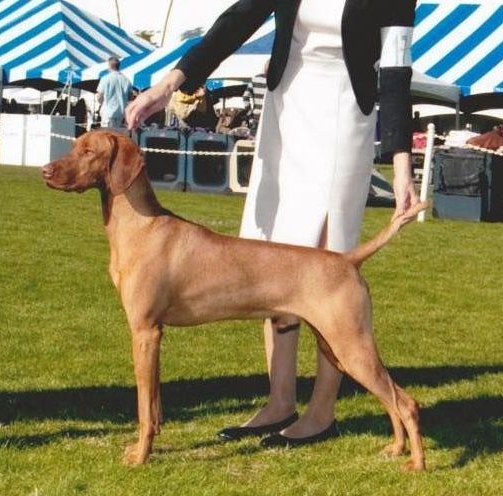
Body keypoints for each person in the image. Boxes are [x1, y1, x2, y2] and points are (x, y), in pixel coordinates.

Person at [126, 0, 418, 447]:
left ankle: (322, 413)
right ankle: (280, 401)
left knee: (325, 267)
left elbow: (396, 75)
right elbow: (236, 22)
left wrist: (402, 166)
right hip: (287, 110)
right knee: (272, 254)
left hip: (344, 117)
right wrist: (169, 85)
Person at [97, 56, 132, 129]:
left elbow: (99, 96)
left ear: (109, 66)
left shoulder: (105, 79)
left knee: (107, 136)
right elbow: (130, 97)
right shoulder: (126, 80)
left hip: (108, 112)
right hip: (121, 113)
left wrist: (102, 103)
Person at [242, 68, 267, 135]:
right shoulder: (275, 81)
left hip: (256, 117)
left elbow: (245, 96)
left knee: (254, 140)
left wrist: (249, 113)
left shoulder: (255, 79)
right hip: (269, 117)